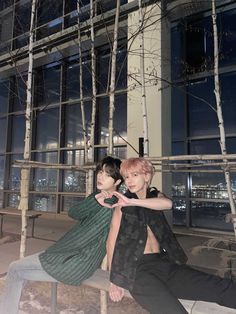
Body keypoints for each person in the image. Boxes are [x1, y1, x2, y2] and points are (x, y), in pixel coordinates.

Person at [106, 157, 236, 314]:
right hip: (137, 271)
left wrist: (133, 202)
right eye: (126, 177)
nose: (129, 181)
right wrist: (114, 279)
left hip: (166, 264)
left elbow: (167, 204)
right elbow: (111, 242)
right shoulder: (121, 206)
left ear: (147, 176)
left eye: (135, 175)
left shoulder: (154, 196)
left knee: (220, 286)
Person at [0, 156, 123, 314]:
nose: (100, 176)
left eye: (107, 174)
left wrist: (115, 279)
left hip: (75, 262)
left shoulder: (112, 206)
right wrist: (95, 201)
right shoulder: (97, 197)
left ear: (118, 182)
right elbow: (74, 213)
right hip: (66, 256)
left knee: (15, 269)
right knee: (18, 272)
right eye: (100, 172)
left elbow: (85, 240)